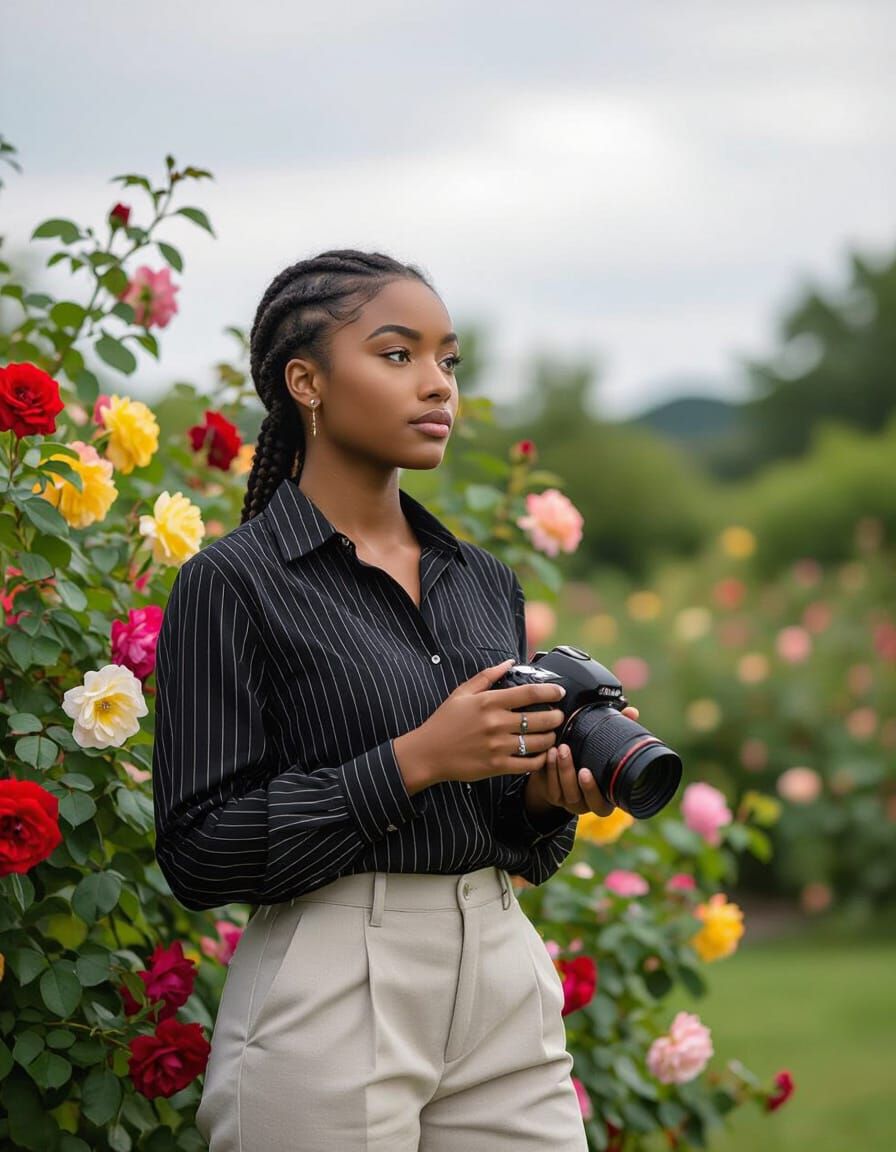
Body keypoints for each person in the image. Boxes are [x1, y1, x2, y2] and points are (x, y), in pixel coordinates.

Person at [152, 249, 637, 1151]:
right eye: (397, 354)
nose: (437, 386)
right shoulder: (233, 583)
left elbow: (500, 826)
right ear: (307, 382)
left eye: (448, 360)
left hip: (499, 965)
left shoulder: (482, 580)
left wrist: (542, 798)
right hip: (331, 982)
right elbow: (198, 850)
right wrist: (417, 759)